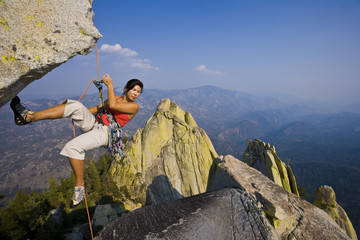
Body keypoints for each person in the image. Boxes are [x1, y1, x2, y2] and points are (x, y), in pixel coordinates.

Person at [10, 74, 143, 208]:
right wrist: (75, 111)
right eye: (134, 90)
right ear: (127, 88)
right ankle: (29, 117)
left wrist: (110, 85)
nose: (135, 93)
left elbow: (113, 106)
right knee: (76, 105)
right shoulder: (117, 98)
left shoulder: (134, 107)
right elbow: (97, 108)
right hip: (94, 123)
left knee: (72, 147)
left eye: (138, 92)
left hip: (105, 133)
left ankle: (80, 187)